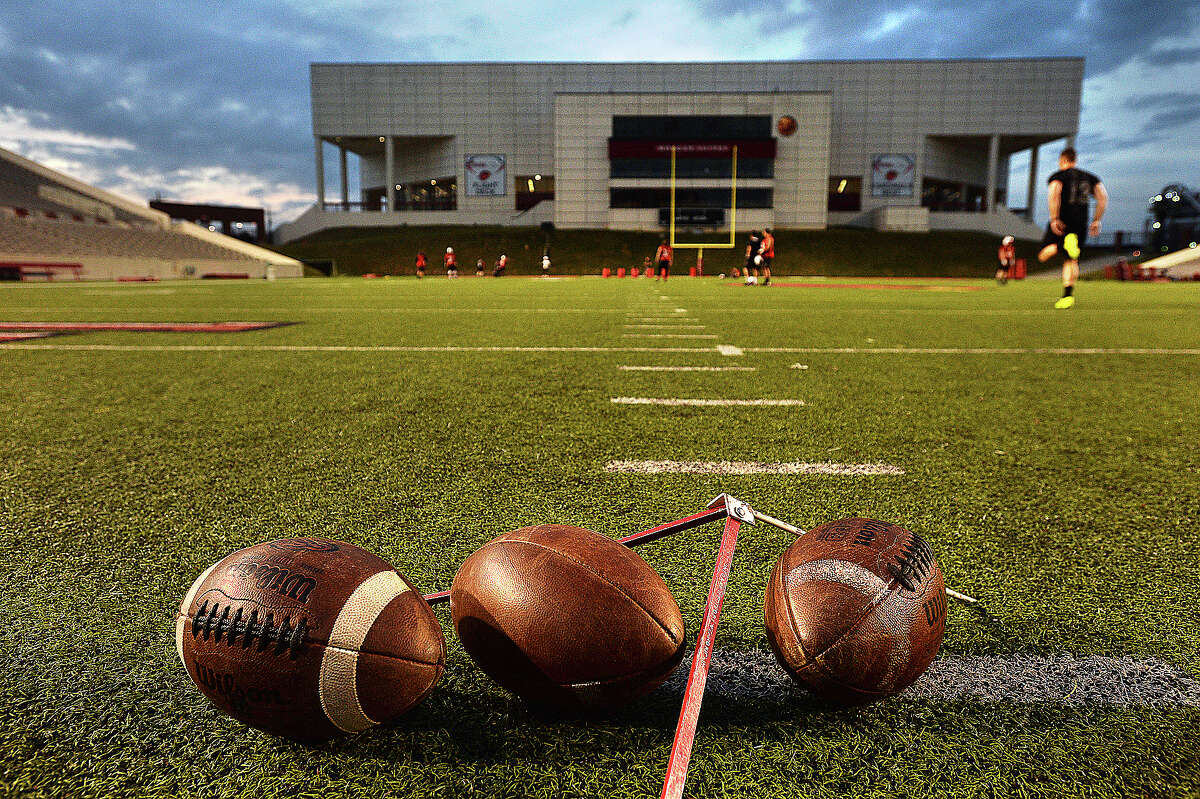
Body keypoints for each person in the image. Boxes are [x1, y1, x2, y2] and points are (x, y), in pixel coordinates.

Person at [1037, 147, 1107, 308]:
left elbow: (1054, 194)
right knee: (1071, 260)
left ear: (1062, 160)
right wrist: (1097, 220)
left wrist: (1054, 218)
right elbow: (1102, 197)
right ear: (1075, 159)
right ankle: (1068, 295)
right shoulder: (1090, 177)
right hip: (1081, 222)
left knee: (1042, 254)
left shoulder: (1058, 176)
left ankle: (1060, 246)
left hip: (1063, 221)